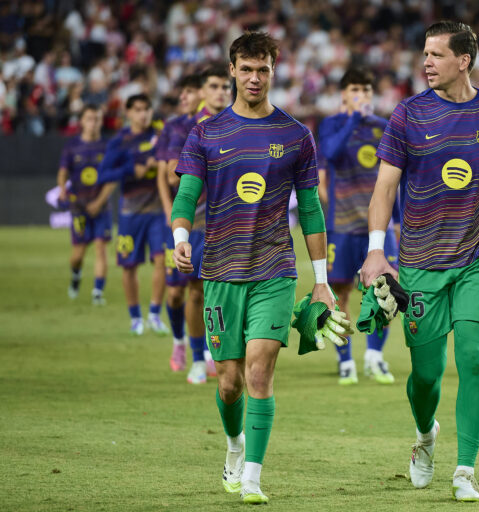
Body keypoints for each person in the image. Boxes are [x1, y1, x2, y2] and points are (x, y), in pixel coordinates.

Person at [360, 21, 479, 502]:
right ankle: (424, 438)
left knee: (473, 360)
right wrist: (377, 249)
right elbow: (385, 187)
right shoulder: (408, 114)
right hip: (419, 262)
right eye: (425, 53)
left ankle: (465, 469)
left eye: (436, 54)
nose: (426, 62)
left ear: (464, 60)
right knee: (425, 377)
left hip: (478, 258)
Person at [171, 32, 334, 504]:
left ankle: (253, 479)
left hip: (274, 270)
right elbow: (186, 195)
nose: (255, 78)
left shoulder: (295, 135)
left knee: (260, 373)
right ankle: (234, 445)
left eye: (263, 69)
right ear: (232, 71)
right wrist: (182, 238)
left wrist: (321, 282)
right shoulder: (206, 133)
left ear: (274, 71)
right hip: (220, 270)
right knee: (229, 382)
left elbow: (310, 211)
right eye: (246, 69)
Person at [317, 67, 398, 385]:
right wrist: (352, 118)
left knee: (386, 291)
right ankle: (345, 359)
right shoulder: (333, 124)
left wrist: (399, 222)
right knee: (340, 293)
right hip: (341, 226)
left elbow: (395, 179)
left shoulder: (384, 127)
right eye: (354, 90)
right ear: (343, 95)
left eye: (366, 90)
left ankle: (375, 357)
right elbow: (331, 153)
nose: (361, 96)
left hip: (378, 228)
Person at [157, 67, 232, 384]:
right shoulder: (184, 128)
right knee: (185, 293)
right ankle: (188, 349)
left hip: (226, 224)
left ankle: (209, 354)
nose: (220, 92)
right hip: (191, 223)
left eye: (225, 87)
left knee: (222, 294)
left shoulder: (237, 125)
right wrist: (172, 215)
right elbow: (172, 175)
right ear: (201, 91)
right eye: (213, 87)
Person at [98, 93, 169, 335]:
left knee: (163, 261)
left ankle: (154, 314)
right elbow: (102, 175)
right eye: (137, 109)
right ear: (128, 113)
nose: (143, 113)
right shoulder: (120, 141)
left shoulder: (160, 134)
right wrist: (131, 169)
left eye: (146, 108)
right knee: (129, 266)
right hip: (130, 213)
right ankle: (135, 318)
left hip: (158, 211)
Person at [57, 104, 115, 305]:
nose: (93, 123)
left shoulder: (108, 147)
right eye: (90, 118)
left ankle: (97, 293)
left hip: (101, 208)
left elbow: (112, 179)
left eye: (97, 119)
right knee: (78, 254)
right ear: (81, 121)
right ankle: (76, 274)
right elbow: (63, 171)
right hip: (79, 208)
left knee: (101, 248)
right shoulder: (72, 146)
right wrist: (62, 188)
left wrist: (99, 202)